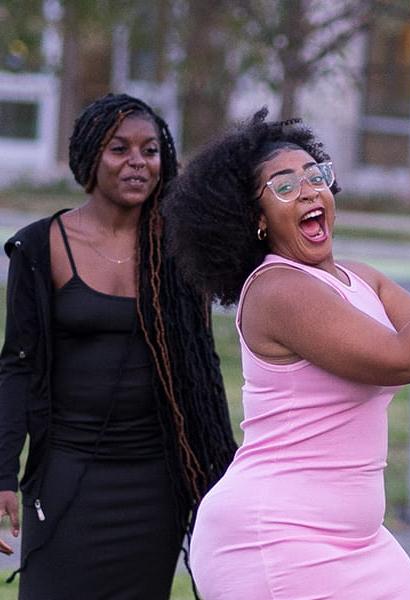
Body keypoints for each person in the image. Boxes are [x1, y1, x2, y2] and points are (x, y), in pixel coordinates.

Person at [161, 108, 410, 599]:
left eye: (315, 176)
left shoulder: (359, 278)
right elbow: (403, 359)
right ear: (256, 219)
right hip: (276, 537)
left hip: (358, 541)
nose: (308, 191)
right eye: (284, 186)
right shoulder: (277, 289)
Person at [0, 93, 237, 598]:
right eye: (119, 149)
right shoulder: (41, 246)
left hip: (153, 485)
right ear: (90, 159)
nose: (137, 163)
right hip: (66, 472)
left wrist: (221, 473)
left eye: (150, 151)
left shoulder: (178, 250)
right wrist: (2, 472)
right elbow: (16, 368)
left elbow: (202, 366)